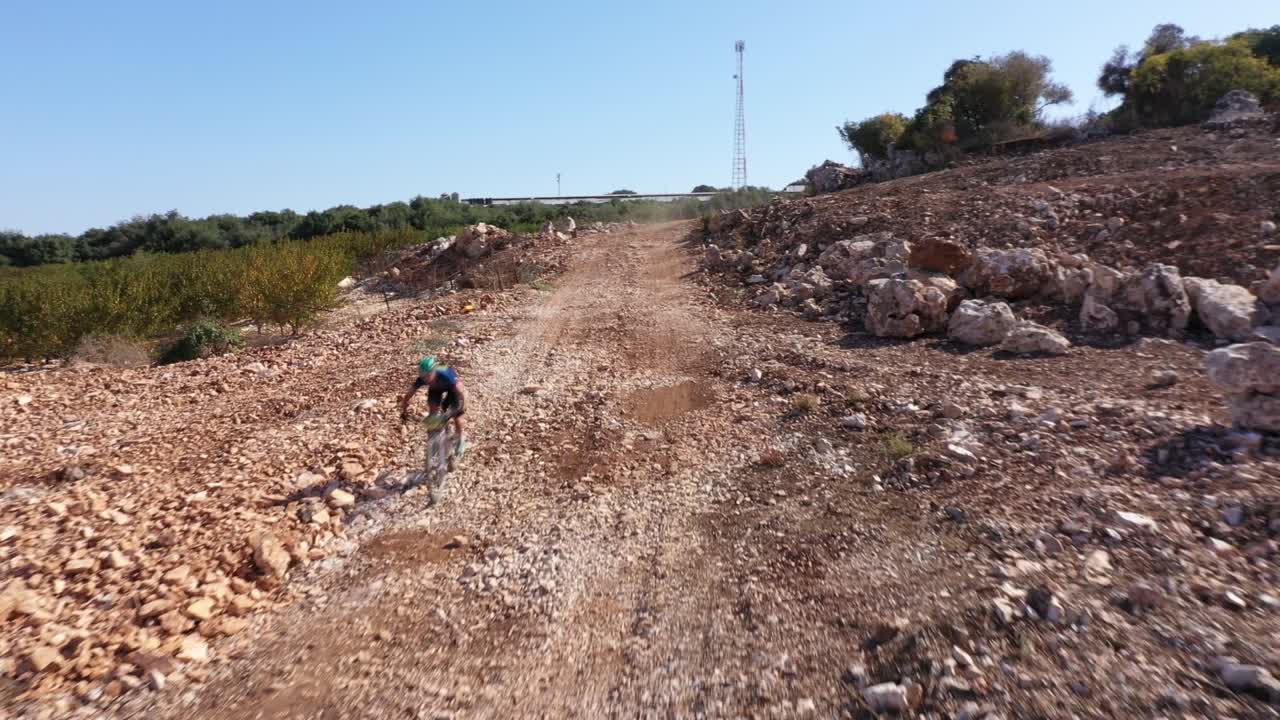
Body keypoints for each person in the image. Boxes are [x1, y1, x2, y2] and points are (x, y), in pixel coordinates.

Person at [399, 357, 467, 456]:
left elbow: (462, 392)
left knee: (457, 415)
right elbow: (410, 393)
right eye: (422, 376)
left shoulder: (446, 374)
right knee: (432, 413)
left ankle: (461, 438)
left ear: (434, 371)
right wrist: (404, 407)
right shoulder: (423, 378)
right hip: (436, 389)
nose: (425, 379)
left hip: (452, 389)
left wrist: (463, 406)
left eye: (427, 375)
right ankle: (435, 439)